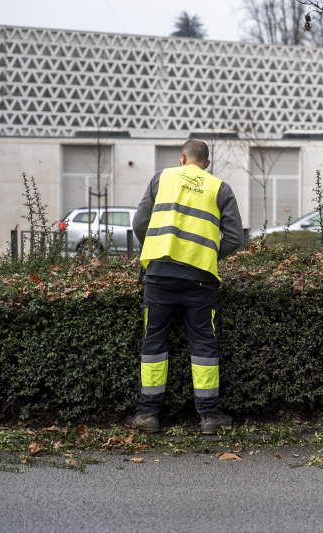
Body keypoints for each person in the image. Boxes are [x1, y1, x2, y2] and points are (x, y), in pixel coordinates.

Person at [124, 139, 244, 434]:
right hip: (200, 278)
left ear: (182, 158)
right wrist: (206, 253)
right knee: (204, 344)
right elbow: (235, 238)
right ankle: (209, 417)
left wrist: (156, 243)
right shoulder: (220, 188)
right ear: (206, 164)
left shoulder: (161, 178)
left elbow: (140, 223)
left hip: (160, 275)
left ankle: (148, 414)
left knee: (153, 342)